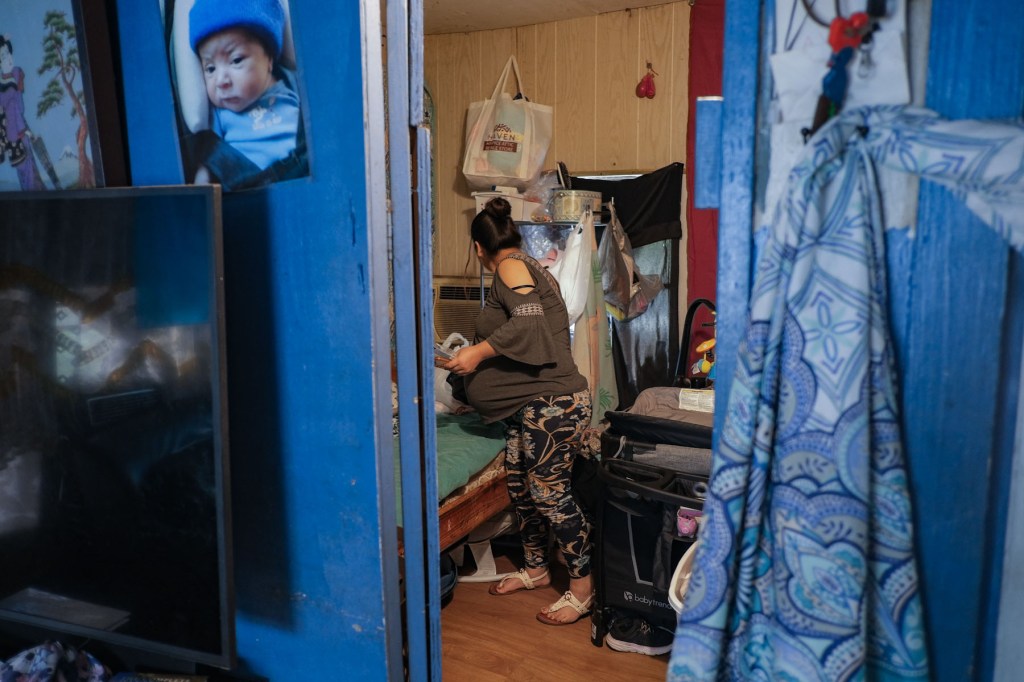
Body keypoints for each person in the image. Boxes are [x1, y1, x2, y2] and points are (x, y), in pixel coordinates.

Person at [444, 197, 594, 626]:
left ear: (478, 248)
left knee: (550, 495)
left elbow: (526, 324)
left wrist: (477, 354)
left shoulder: (510, 267)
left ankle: (583, 589)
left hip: (554, 405)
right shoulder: (525, 264)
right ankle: (535, 568)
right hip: (527, 406)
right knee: (523, 489)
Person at [187, 0, 304, 188]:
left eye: (236, 60)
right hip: (251, 190)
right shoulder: (218, 114)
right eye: (210, 69)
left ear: (269, 59)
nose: (221, 81)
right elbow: (209, 159)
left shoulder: (295, 87)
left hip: (301, 175)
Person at [0, 36, 44, 191]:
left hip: (21, 125)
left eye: (8, 53)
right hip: (14, 132)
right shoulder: (2, 88)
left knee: (29, 167)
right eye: (3, 56)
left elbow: (19, 106)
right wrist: (24, 131)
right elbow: (10, 113)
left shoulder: (16, 73)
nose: (8, 58)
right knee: (25, 171)